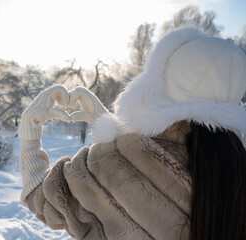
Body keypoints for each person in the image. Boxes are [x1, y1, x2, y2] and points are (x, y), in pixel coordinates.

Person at [18, 27, 246, 240]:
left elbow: (43, 200)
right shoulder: (235, 167)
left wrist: (29, 133)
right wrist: (118, 131)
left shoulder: (110, 163)